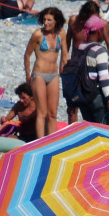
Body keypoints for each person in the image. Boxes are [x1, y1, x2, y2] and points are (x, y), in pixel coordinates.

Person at [24, 7, 66, 140]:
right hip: (39, 75)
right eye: (44, 19)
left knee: (53, 113)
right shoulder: (38, 35)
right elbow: (27, 55)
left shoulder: (61, 33)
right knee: (42, 112)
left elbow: (65, 54)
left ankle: (52, 142)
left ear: (56, 21)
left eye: (49, 20)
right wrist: (28, 75)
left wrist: (65, 70)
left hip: (54, 75)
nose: (46, 23)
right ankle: (40, 142)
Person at [69, 15, 109, 125]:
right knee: (105, 130)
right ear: (99, 32)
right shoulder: (99, 50)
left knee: (92, 129)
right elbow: (103, 78)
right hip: (96, 96)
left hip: (83, 96)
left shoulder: (79, 48)